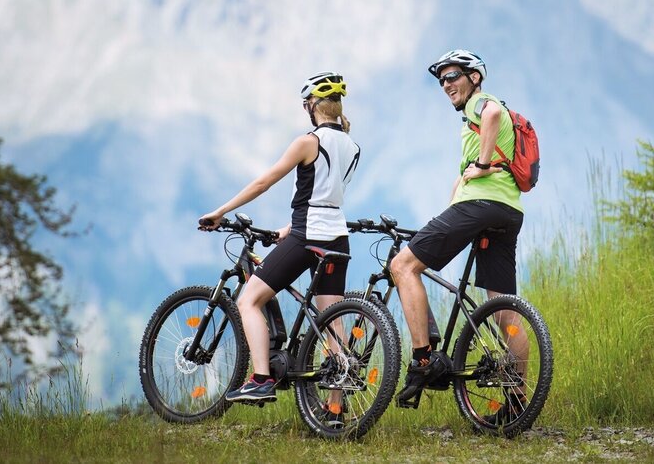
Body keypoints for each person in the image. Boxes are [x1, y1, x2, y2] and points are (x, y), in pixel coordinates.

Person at [198, 71, 360, 408]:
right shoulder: (352, 145)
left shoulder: (308, 141)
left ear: (311, 106)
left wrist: (221, 210)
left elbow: (264, 182)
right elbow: (326, 195)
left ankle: (260, 379)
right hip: (337, 237)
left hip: (308, 237)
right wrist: (288, 227)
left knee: (249, 301)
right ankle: (335, 410)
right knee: (331, 323)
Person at [389, 49, 528, 415]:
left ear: (475, 77)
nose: (446, 84)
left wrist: (482, 166)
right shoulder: (477, 122)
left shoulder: (481, 103)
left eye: (453, 76)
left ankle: (422, 360)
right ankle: (518, 401)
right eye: (442, 80)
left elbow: (492, 115)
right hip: (508, 210)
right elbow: (461, 180)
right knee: (503, 310)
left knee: (403, 266)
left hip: (479, 206)